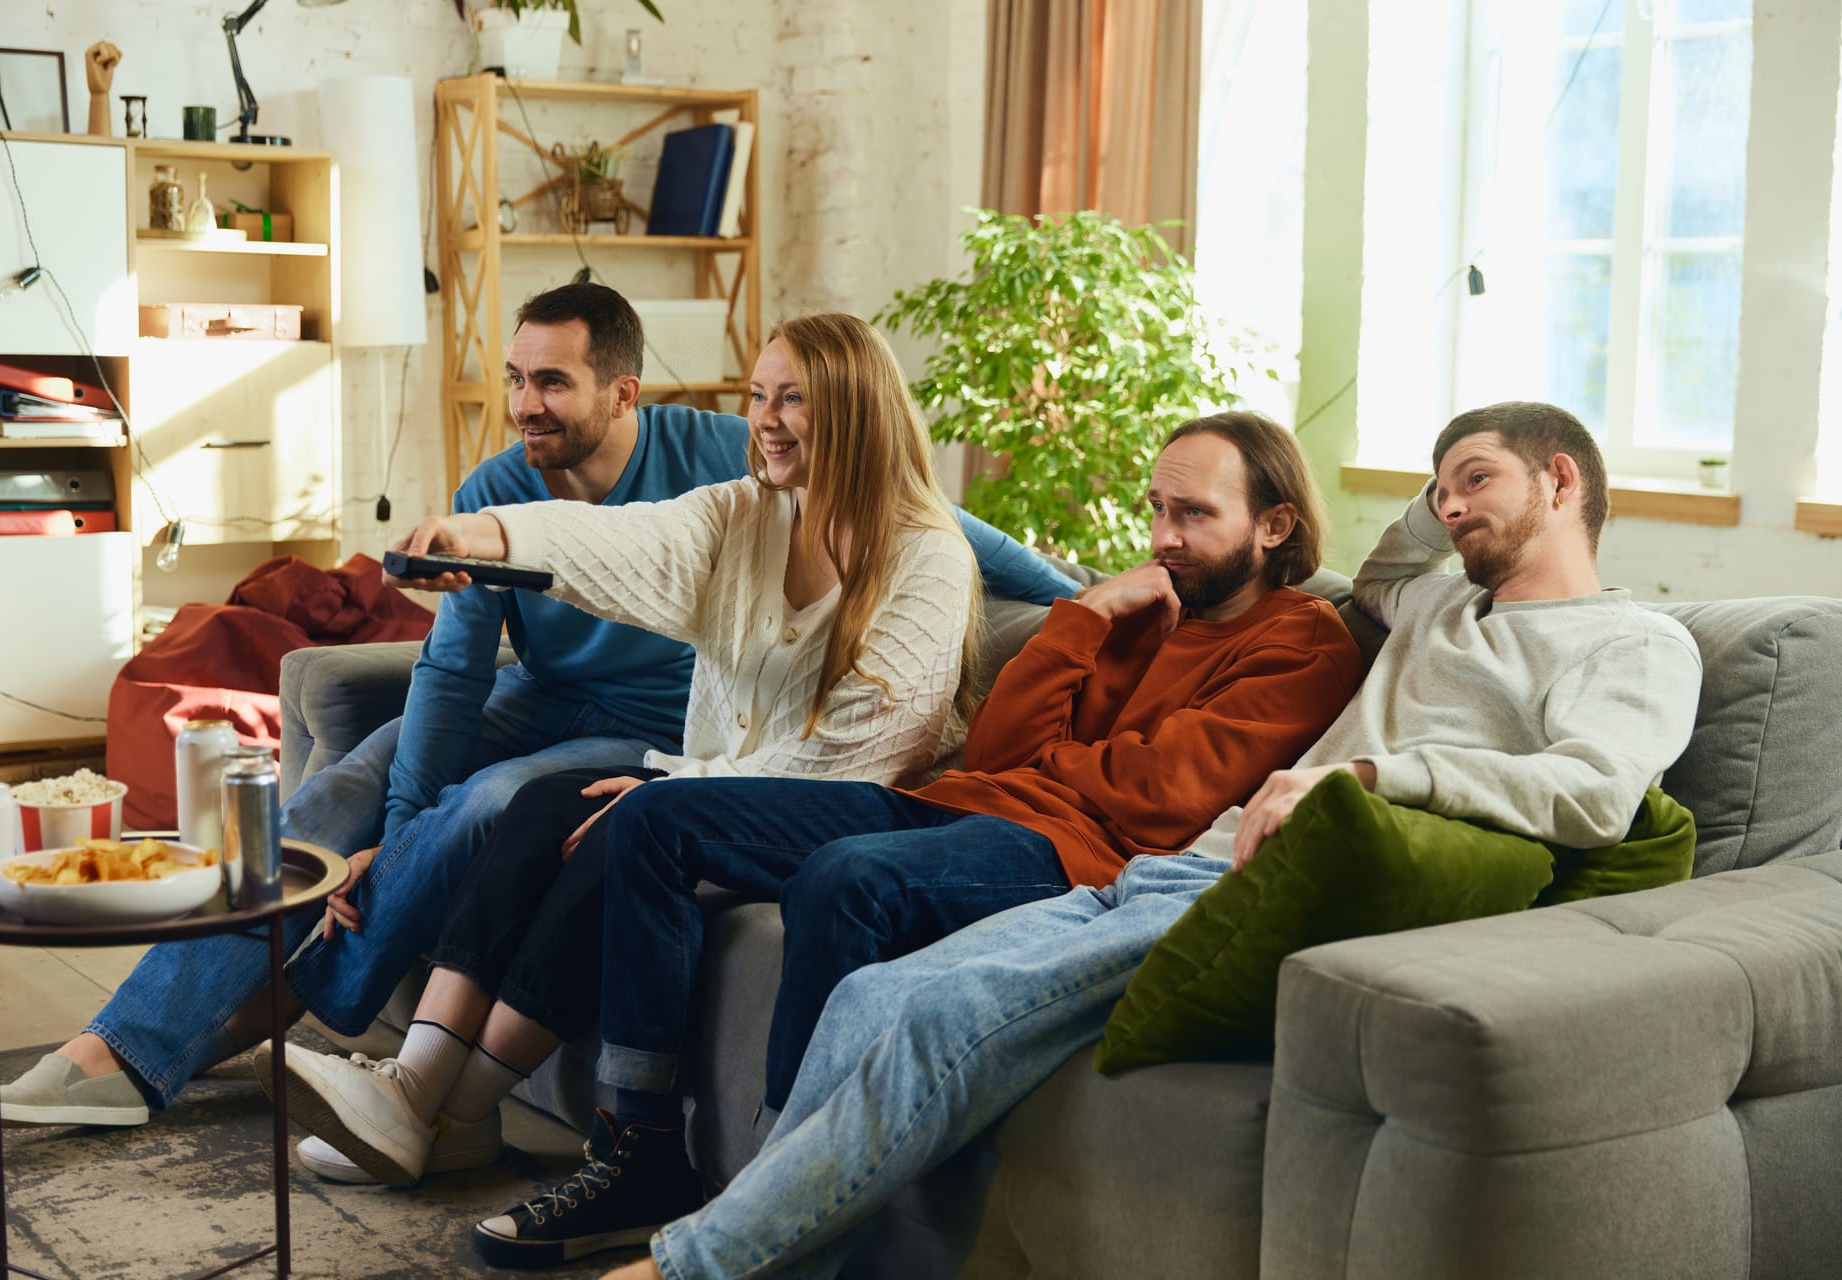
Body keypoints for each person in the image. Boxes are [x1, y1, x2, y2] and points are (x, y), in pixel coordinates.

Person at [596, 400, 1706, 1280]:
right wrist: (1451, 475)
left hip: (1264, 876)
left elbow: (1596, 791)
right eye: (1439, 484)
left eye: (1479, 481)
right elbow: (1380, 567)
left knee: (949, 1008)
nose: (1449, 506)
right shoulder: (1431, 607)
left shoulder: (1636, 642)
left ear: (1564, 483)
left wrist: (1374, 770)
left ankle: (693, 1261)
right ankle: (774, 1251)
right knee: (873, 998)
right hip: (1169, 864)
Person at [0, 287, 1077, 1130]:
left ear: (622, 392)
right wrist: (384, 834)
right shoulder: (507, 481)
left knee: (496, 802)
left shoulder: (719, 462)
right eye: (516, 379)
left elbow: (920, 513)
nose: (526, 406)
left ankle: (320, 1002)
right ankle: (133, 1040)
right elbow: (453, 670)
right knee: (347, 786)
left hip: (641, 721)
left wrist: (1083, 591)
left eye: (552, 383)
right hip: (532, 694)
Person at [445, 409, 1367, 1268]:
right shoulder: (1137, 612)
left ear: (1276, 525)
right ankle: (638, 1148)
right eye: (1157, 510)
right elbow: (1007, 745)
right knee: (655, 817)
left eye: (1194, 515)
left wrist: (1069, 757)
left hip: (1069, 856)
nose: (1164, 538)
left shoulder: (1306, 644)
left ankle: (781, 1190)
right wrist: (1082, 617)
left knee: (848, 880)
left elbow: (1157, 800)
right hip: (965, 800)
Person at [264, 311, 994, 1203]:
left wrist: (678, 788)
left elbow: (859, 759)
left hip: (850, 812)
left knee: (626, 822)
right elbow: (620, 541)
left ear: (855, 409)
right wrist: (477, 539)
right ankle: (415, 1090)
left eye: (793, 399)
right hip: (721, 793)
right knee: (540, 804)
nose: (765, 419)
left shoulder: (927, 555)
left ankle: (449, 1112)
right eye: (759, 396)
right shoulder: (742, 515)